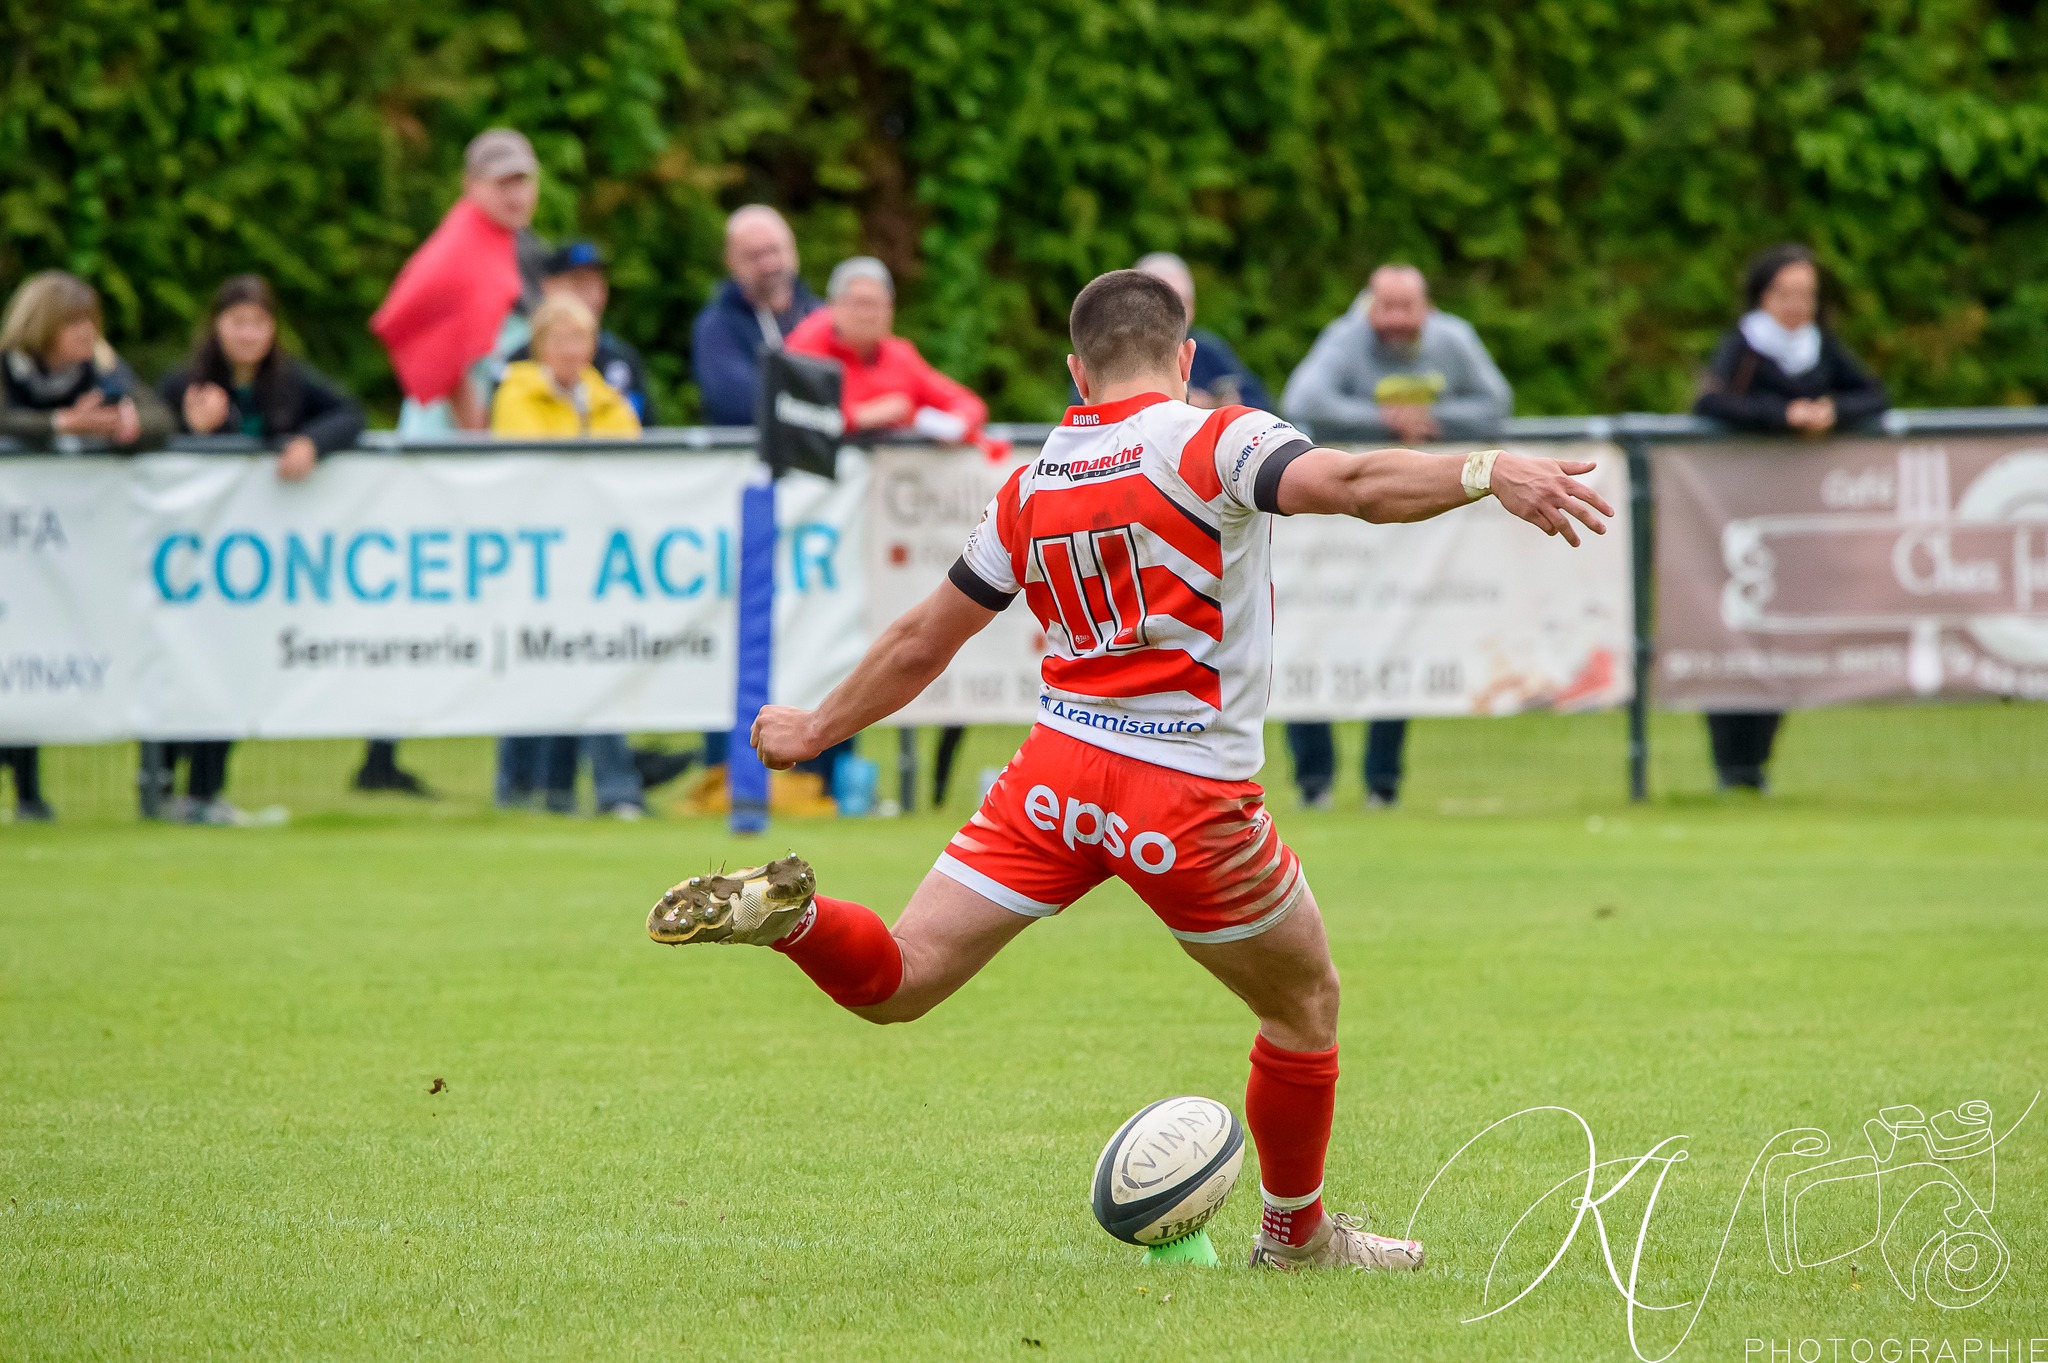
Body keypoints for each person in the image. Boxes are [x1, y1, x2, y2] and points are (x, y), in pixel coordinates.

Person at [645, 269, 1611, 1271]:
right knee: (1302, 1006)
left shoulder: (1031, 484)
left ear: (1077, 371)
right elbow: (1355, 485)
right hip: (1184, 795)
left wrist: (815, 726)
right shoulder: (1217, 439)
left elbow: (920, 640)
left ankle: (794, 921)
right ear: (1185, 357)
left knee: (901, 976)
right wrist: (1484, 469)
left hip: (1054, 778)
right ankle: (1295, 1239)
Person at [1280, 265, 1514, 809]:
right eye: (1385, 307)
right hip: (1340, 523)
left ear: (1426, 308)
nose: (1395, 320)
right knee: (1310, 636)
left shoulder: (1453, 340)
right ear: (1370, 308)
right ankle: (1314, 782)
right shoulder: (1344, 340)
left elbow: (1496, 404)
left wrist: (1433, 419)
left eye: (1406, 308)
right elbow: (1303, 401)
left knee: (1400, 637)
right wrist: (1383, 421)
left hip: (1414, 521)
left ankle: (1382, 783)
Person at [151, 274, 367, 824]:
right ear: (216, 325)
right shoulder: (185, 384)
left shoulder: (289, 381)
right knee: (181, 661)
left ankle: (206, 791)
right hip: (188, 558)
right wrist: (191, 432)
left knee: (232, 667)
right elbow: (150, 443)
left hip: (251, 564)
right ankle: (158, 779)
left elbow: (350, 414)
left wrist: (312, 443)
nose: (249, 334)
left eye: (259, 322)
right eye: (237, 322)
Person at [1692, 244, 1890, 793]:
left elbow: (1874, 394)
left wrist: (1832, 413)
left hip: (1798, 519)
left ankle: (1756, 764)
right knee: (1733, 637)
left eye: (1807, 294)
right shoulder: (1745, 346)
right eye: (1785, 293)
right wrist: (1783, 416)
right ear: (1762, 296)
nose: (1797, 305)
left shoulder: (1819, 348)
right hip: (1735, 518)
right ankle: (1730, 764)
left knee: (1783, 638)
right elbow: (1711, 404)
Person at [1, 271, 174, 824]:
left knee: (42, 649)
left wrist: (127, 425)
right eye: (73, 324)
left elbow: (159, 418)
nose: (86, 335)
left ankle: (30, 794)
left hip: (68, 548)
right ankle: (25, 790)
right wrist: (59, 423)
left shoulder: (102, 368)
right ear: (42, 325)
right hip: (13, 543)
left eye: (90, 324)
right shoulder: (8, 369)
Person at [489, 294, 647, 818]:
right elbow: (532, 462)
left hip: (595, 558)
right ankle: (521, 785)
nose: (572, 350)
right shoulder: (517, 391)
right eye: (560, 339)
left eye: (581, 339)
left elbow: (632, 457)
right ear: (540, 345)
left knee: (591, 662)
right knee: (535, 663)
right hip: (536, 556)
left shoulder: (605, 397)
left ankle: (590, 789)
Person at [371, 128, 545, 436]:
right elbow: (444, 351)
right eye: (502, 183)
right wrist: (474, 437)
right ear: (470, 185)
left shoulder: (505, 240)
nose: (516, 196)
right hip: (450, 435)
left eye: (521, 181)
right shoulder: (463, 250)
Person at [691, 205, 822, 426]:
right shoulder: (717, 326)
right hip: (747, 445)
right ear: (731, 262)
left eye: (774, 250)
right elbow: (737, 402)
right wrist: (821, 405)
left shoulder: (820, 316)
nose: (768, 264)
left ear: (792, 250)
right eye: (754, 256)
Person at [495, 241, 651, 421]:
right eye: (578, 282)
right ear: (549, 286)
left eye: (597, 283)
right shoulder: (515, 363)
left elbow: (644, 431)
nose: (590, 294)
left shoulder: (622, 359)